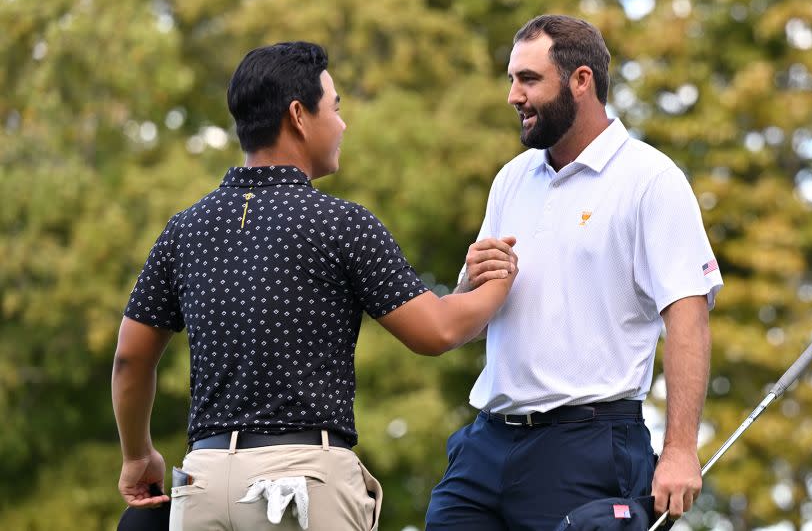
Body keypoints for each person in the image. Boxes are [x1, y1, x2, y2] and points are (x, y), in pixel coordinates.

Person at [112, 41, 518, 531]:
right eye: (336, 107)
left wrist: (138, 456)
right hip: (300, 489)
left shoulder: (185, 229)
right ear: (299, 115)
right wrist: (498, 283)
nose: (342, 124)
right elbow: (436, 332)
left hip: (202, 486)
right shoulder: (339, 224)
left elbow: (130, 358)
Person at [425, 15, 723, 530]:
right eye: (512, 79)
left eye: (529, 79)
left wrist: (679, 450)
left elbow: (688, 318)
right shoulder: (512, 179)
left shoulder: (651, 180)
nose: (513, 95)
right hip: (486, 444)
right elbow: (470, 320)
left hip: (587, 448)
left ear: (581, 80)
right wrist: (468, 285)